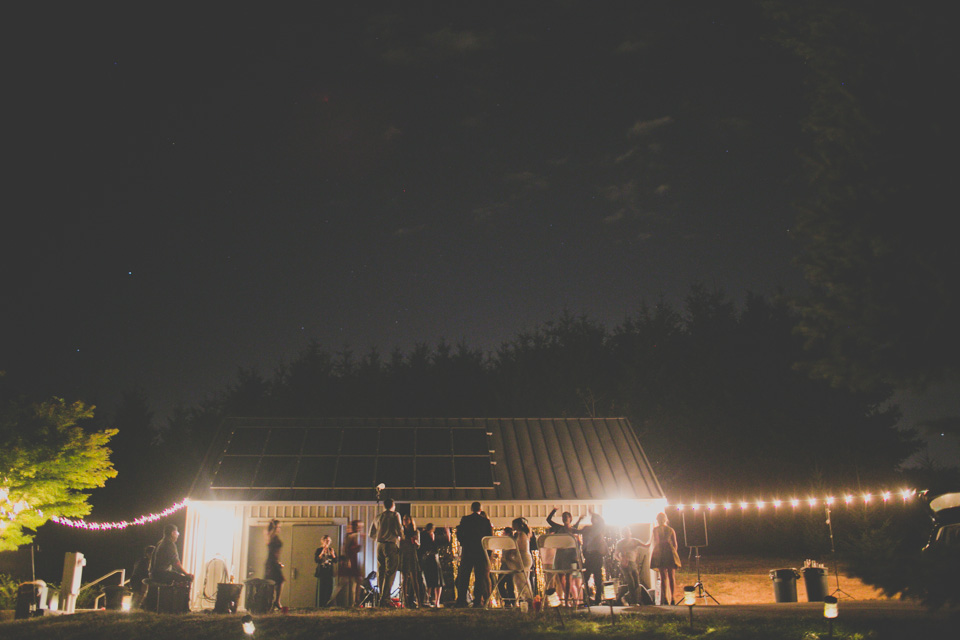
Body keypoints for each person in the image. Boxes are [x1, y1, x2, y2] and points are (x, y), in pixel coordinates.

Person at [454, 501, 492, 607]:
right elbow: (489, 538)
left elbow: (460, 534)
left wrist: (463, 542)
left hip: (468, 550)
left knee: (464, 576)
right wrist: (488, 553)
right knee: (479, 577)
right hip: (480, 552)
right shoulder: (485, 522)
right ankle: (477, 600)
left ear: (471, 509)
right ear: (480, 509)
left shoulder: (465, 520)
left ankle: (461, 599)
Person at [369, 497, 403, 607]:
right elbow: (399, 529)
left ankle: (381, 597)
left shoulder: (378, 517)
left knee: (381, 571)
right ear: (393, 506)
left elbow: (371, 534)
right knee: (390, 571)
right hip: (390, 544)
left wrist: (378, 538)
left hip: (379, 545)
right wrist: (401, 538)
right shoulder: (395, 515)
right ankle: (385, 598)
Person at [546, 507, 583, 604]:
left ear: (570, 518)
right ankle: (568, 596)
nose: (565, 518)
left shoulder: (573, 530)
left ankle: (567, 600)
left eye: (566, 517)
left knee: (568, 576)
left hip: (569, 555)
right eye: (563, 517)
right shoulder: (559, 528)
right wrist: (553, 510)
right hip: (560, 555)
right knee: (560, 576)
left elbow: (579, 531)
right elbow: (548, 520)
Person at [329, 520, 363, 607]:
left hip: (353, 560)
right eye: (357, 526)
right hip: (350, 561)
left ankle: (355, 601)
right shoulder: (350, 536)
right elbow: (346, 549)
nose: (358, 528)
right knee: (344, 582)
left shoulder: (353, 536)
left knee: (356, 581)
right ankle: (332, 600)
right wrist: (347, 560)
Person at [650, 512, 681, 605]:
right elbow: (675, 544)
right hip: (669, 552)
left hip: (661, 553)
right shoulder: (670, 529)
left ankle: (666, 598)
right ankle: (672, 597)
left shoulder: (656, 530)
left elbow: (656, 541)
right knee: (671, 576)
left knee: (664, 577)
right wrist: (673, 553)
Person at [615, 526, 650, 605]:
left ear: (630, 532)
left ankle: (628, 598)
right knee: (631, 582)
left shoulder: (635, 541)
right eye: (625, 532)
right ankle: (633, 602)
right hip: (625, 565)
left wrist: (652, 536)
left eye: (628, 532)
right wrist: (621, 560)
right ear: (623, 534)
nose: (627, 534)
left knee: (637, 583)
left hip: (633, 563)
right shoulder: (620, 543)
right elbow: (615, 555)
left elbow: (646, 545)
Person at [505, 517, 534, 606]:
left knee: (522, 580)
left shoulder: (521, 535)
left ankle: (529, 599)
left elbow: (520, 547)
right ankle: (524, 599)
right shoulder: (519, 534)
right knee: (519, 580)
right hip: (521, 558)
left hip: (523, 559)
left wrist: (510, 552)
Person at [399, 514, 422, 608]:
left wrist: (415, 541)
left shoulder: (415, 531)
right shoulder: (401, 531)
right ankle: (405, 601)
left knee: (414, 578)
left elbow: (418, 545)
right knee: (404, 579)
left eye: (407, 519)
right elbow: (399, 543)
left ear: (410, 520)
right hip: (404, 554)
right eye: (404, 519)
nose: (405, 521)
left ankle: (419, 600)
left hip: (412, 554)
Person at [420, 523, 444, 607]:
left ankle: (435, 601)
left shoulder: (430, 536)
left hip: (432, 558)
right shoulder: (424, 535)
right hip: (429, 558)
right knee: (429, 580)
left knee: (436, 581)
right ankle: (427, 600)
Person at [265, 519, 286, 610]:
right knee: (274, 581)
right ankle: (273, 602)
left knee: (279, 581)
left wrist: (279, 562)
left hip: (275, 562)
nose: (279, 529)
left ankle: (275, 601)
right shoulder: (270, 536)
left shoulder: (276, 537)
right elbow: (270, 546)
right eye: (278, 527)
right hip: (271, 562)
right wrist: (273, 526)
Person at [314, 534, 337, 608]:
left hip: (329, 572)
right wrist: (321, 553)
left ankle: (328, 605)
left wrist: (333, 555)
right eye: (326, 541)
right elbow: (316, 560)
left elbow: (335, 560)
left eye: (329, 541)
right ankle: (320, 605)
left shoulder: (331, 550)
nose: (328, 542)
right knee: (321, 590)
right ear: (322, 541)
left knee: (329, 590)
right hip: (322, 573)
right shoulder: (319, 550)